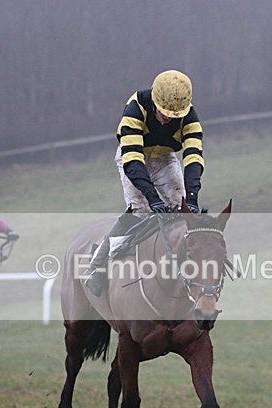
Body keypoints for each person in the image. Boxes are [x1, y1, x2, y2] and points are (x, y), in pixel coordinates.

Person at [85, 69, 205, 297]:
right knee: (140, 211)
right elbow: (132, 161)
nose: (169, 118)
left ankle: (180, 266)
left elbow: (193, 159)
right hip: (133, 157)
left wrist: (192, 199)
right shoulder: (135, 108)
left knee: (182, 209)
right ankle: (97, 264)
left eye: (174, 115)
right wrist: (152, 197)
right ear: (154, 101)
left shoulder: (190, 117)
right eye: (164, 112)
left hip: (165, 158)